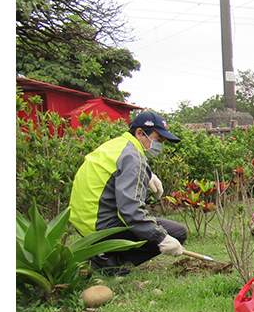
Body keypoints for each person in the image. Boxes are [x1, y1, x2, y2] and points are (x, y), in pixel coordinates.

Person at [69, 110, 187, 274]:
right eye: (158, 139)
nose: (160, 145)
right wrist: (161, 237)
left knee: (154, 227)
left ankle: (102, 254)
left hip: (83, 223)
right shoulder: (133, 157)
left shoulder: (117, 145)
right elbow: (131, 211)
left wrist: (148, 175)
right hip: (101, 228)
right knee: (177, 232)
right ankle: (110, 264)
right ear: (140, 133)